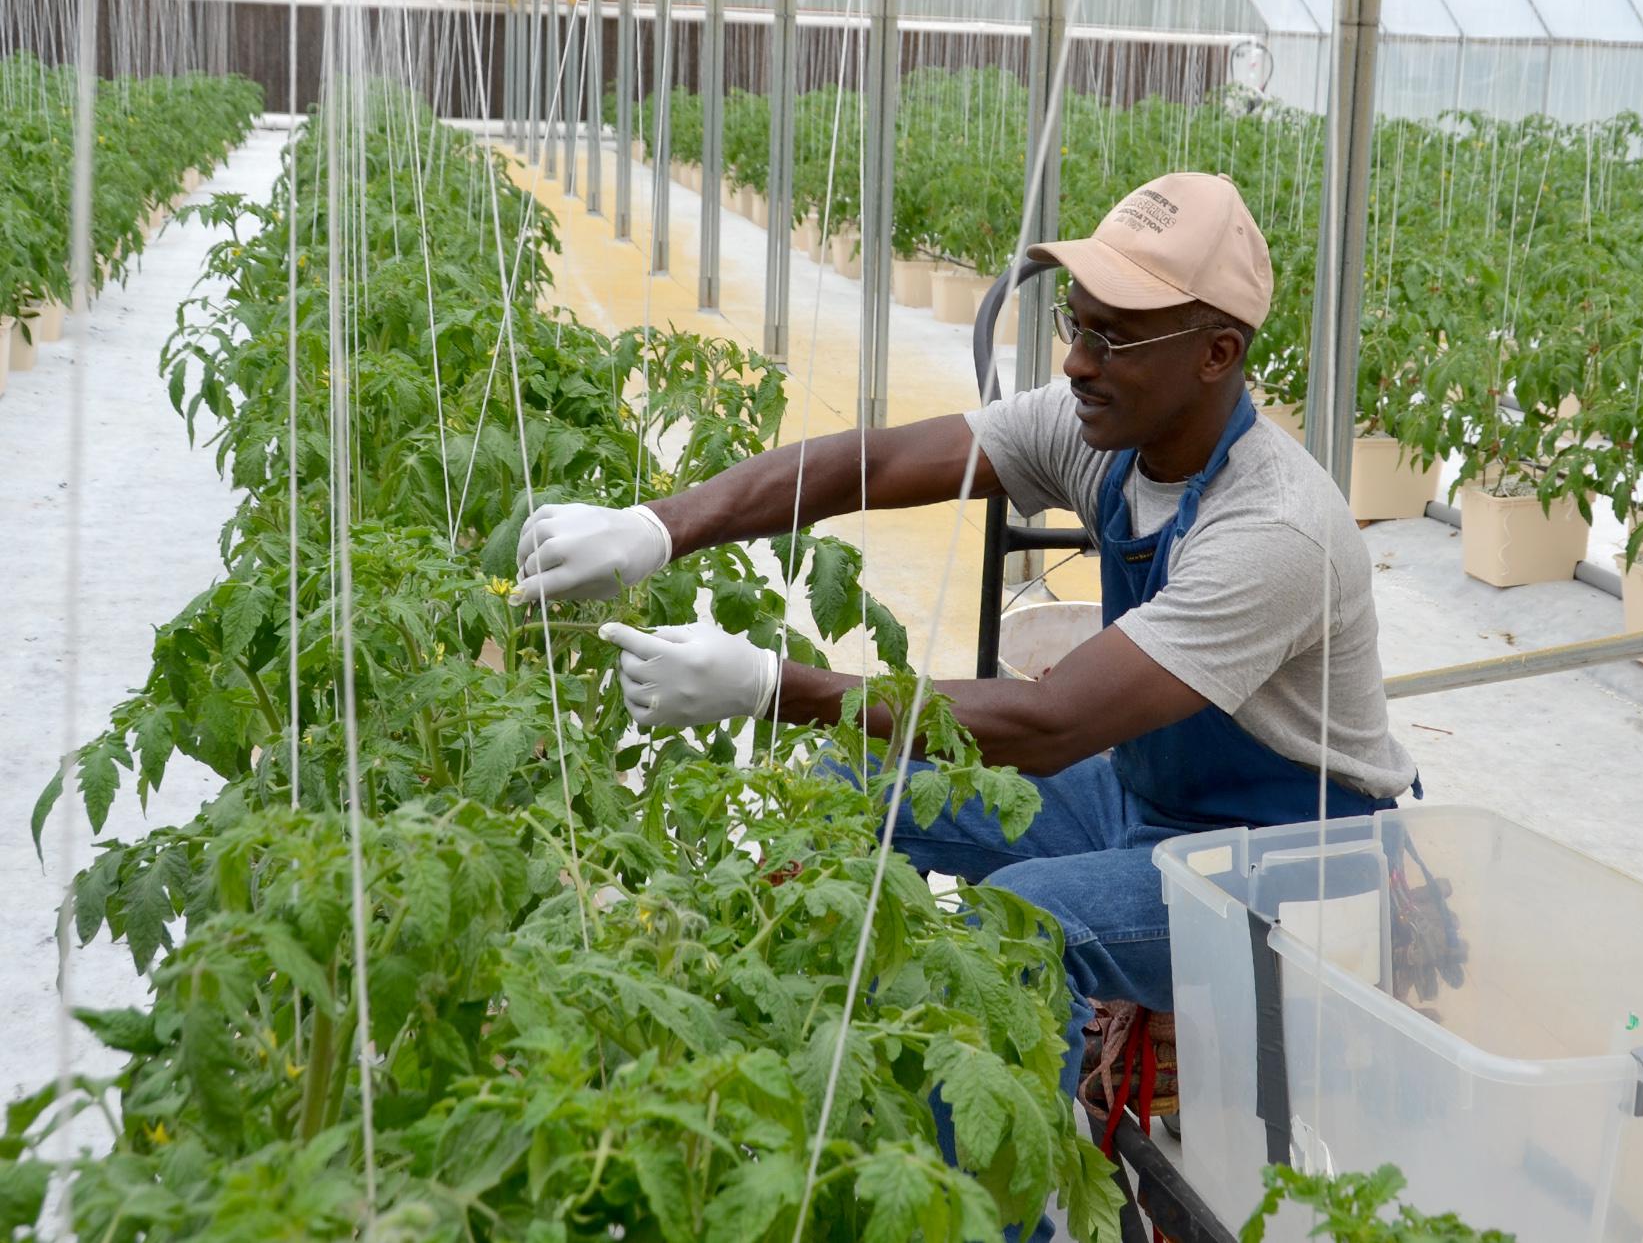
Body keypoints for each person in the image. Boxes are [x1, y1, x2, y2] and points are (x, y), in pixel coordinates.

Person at [511, 171, 1418, 1219]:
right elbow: (881, 459)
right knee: (857, 778)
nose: (1077, 360)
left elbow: (1048, 724)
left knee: (1022, 929)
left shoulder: (1276, 530)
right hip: (1143, 802)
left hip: (1296, 866)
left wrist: (770, 685)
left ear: (1216, 353)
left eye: (1114, 338)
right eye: (1077, 325)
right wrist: (660, 525)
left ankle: (1010, 1213)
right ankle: (806, 1060)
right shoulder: (1104, 431)